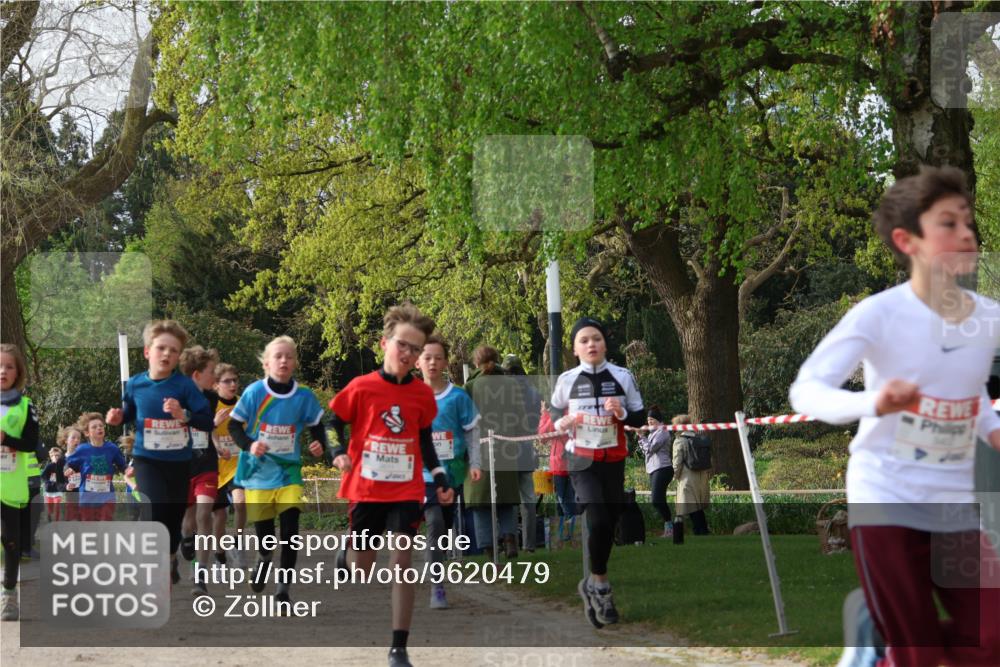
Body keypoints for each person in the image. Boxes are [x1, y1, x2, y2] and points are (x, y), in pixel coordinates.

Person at [790, 166, 1000, 667]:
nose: (966, 233)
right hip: (885, 497)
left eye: (967, 222)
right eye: (948, 223)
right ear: (908, 240)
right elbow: (807, 390)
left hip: (953, 506)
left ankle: (875, 642)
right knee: (918, 656)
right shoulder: (878, 314)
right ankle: (883, 643)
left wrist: (993, 429)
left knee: (992, 641)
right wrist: (874, 403)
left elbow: (969, 396)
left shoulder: (988, 317)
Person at [328, 304, 452, 667]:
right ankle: (347, 552)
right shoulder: (361, 387)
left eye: (415, 349)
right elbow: (331, 421)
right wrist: (337, 450)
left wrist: (440, 475)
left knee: (402, 560)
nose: (408, 354)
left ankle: (399, 647)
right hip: (366, 488)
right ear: (384, 343)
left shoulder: (421, 395)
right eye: (402, 345)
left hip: (406, 488)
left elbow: (425, 439)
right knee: (362, 569)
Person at [551, 317, 645, 628]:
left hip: (613, 458)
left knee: (611, 522)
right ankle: (602, 586)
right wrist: (561, 423)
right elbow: (553, 413)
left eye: (597, 339)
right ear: (575, 349)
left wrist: (622, 414)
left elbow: (639, 414)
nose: (591, 344)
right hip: (580, 459)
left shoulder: (622, 376)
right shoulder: (566, 380)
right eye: (584, 340)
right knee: (598, 518)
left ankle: (592, 582)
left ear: (605, 344)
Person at [106, 320, 214, 586]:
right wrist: (117, 418)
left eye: (173, 350)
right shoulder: (134, 385)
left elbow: (206, 420)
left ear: (179, 357)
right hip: (146, 459)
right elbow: (130, 414)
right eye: (161, 348)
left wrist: (183, 414)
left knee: (173, 518)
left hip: (178, 462)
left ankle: (170, 557)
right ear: (147, 351)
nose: (166, 354)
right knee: (154, 507)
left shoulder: (185, 386)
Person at [228, 336, 327, 605]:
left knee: (291, 532)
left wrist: (319, 443)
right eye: (278, 356)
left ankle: (283, 590)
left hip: (289, 473)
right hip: (258, 474)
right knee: (266, 537)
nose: (283, 361)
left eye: (289, 356)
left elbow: (318, 425)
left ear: (295, 362)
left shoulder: (304, 396)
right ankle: (263, 559)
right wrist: (250, 445)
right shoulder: (254, 393)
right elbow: (234, 426)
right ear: (267, 363)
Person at [415, 333, 482, 609]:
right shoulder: (408, 394)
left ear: (445, 362)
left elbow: (472, 433)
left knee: (442, 527)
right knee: (435, 523)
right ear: (417, 362)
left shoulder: (458, 397)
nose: (432, 363)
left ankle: (435, 570)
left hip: (450, 473)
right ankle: (437, 587)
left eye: (437, 358)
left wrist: (475, 463)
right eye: (427, 357)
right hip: (418, 474)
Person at [464, 345, 521, 559]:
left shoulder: (470, 387)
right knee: (506, 499)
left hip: (477, 450)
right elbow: (520, 417)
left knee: (480, 503)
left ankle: (488, 547)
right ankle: (510, 539)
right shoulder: (511, 385)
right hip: (506, 448)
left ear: (475, 363)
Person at [0, 344, 40, 621]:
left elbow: (31, 444)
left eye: (9, 366)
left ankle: (9, 595)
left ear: (18, 372)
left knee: (10, 540)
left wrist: (6, 440)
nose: (2, 371)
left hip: (9, 484)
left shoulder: (27, 406)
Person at [177, 345, 221, 594]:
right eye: (210, 372)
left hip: (206, 464)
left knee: (205, 515)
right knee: (187, 521)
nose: (214, 377)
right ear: (196, 374)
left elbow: (212, 426)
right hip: (183, 466)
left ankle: (200, 576)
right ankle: (186, 538)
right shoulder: (175, 396)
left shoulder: (211, 398)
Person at [502, 354, 542, 552]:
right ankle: (530, 544)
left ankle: (510, 543)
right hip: (526, 446)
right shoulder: (533, 391)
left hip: (505, 447)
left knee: (508, 499)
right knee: (528, 500)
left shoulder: (501, 390)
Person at [210, 363, 246, 567]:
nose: (233, 384)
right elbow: (205, 431)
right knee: (220, 515)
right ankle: (219, 556)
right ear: (216, 385)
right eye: (227, 381)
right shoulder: (211, 405)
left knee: (241, 502)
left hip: (236, 464)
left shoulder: (242, 404)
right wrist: (214, 426)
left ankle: (237, 543)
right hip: (214, 468)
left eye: (235, 380)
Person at [65, 412, 127, 522]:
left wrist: (129, 470)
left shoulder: (112, 448)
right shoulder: (82, 449)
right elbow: (70, 464)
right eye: (94, 427)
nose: (99, 428)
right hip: (87, 497)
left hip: (107, 497)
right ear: (87, 433)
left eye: (101, 425)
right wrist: (68, 470)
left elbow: (123, 466)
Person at [539, 402, 576, 543]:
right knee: (565, 501)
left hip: (561, 464)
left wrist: (545, 414)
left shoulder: (558, 414)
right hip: (572, 462)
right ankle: (566, 534)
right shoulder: (573, 411)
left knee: (563, 501)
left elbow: (542, 436)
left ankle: (571, 532)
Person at [670, 414, 711, 539]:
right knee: (697, 506)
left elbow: (677, 462)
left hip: (687, 476)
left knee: (691, 507)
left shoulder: (679, 441)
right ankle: (702, 530)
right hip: (702, 476)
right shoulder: (698, 438)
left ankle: (700, 531)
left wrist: (674, 477)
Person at [635, 407, 673, 538]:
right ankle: (669, 528)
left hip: (663, 468)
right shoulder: (653, 433)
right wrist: (642, 439)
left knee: (657, 499)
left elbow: (650, 449)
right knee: (658, 499)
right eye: (648, 420)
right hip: (653, 469)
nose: (649, 422)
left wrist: (641, 436)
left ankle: (670, 526)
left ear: (658, 420)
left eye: (651, 419)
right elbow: (646, 450)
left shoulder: (662, 431)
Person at [57, 425, 83, 521]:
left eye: (79, 438)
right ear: (66, 440)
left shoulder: (83, 458)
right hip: (70, 500)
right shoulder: (60, 461)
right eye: (73, 437)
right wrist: (66, 487)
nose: (77, 440)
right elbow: (58, 483)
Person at [41, 446, 67, 522]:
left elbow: (66, 476)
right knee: (50, 509)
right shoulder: (49, 466)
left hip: (58, 490)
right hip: (48, 490)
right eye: (53, 456)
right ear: (50, 457)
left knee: (57, 507)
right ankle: (49, 517)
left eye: (57, 455)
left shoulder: (63, 465)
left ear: (60, 456)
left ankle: (56, 523)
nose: (55, 457)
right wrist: (48, 482)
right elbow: (43, 476)